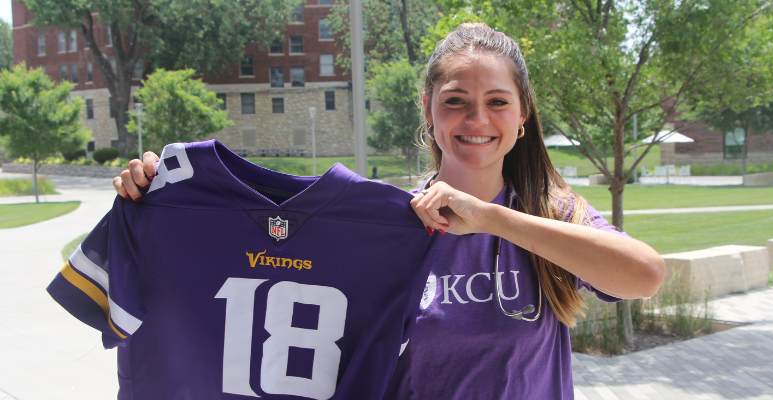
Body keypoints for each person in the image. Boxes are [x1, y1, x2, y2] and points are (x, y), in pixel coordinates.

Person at [114, 22, 665, 400]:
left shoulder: (551, 213)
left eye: (497, 101)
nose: (477, 119)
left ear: (522, 116)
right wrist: (160, 199)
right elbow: (257, 260)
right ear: (429, 109)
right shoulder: (381, 224)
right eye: (456, 100)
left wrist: (491, 217)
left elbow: (644, 275)